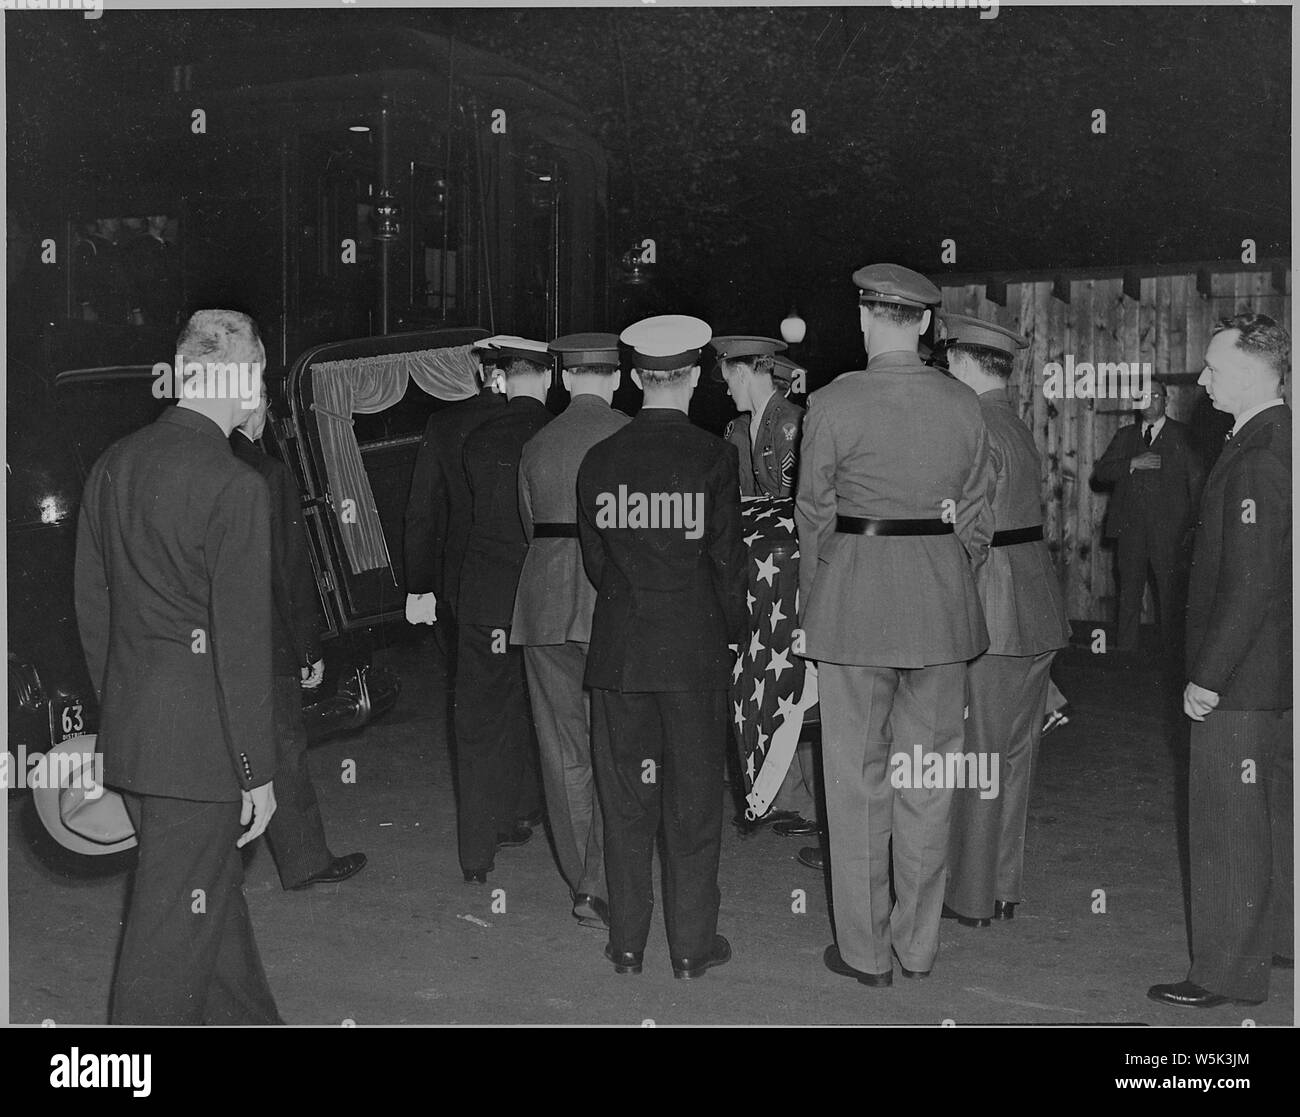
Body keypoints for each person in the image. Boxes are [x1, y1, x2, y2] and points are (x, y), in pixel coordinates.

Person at [74, 309, 281, 1024]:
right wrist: (258, 770)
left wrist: (125, 713)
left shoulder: (112, 465)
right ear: (239, 375)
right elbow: (242, 645)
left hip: (137, 736)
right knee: (167, 942)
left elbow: (93, 612)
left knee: (206, 906)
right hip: (201, 753)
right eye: (259, 369)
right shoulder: (234, 486)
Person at [796, 264, 994, 986]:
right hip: (942, 614)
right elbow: (977, 521)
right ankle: (918, 947)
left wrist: (813, 606)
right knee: (928, 780)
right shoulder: (964, 404)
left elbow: (813, 516)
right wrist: (948, 581)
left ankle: (866, 953)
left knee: (856, 782)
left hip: (853, 609)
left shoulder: (833, 402)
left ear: (864, 319)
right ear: (927, 325)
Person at [578, 314, 747, 979]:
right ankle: (689, 947)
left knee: (624, 803)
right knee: (694, 803)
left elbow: (598, 565)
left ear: (640, 376)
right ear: (693, 374)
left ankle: (626, 943)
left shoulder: (601, 459)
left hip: (619, 655)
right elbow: (728, 563)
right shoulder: (713, 456)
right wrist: (732, 634)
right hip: (692, 656)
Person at [1149, 312, 1292, 1009]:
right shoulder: (1279, 438)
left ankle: (1226, 975)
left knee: (1227, 823)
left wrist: (1206, 676)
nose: (1201, 382)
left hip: (1243, 676)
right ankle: (1282, 941)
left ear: (1247, 371)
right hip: (1277, 674)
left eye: (1211, 369)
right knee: (1274, 813)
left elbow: (1252, 580)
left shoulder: (1261, 453)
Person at [937, 313, 1070, 928]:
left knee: (980, 755)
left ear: (962, 363)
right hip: (1036, 607)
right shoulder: (1013, 422)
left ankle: (970, 897)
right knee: (1016, 755)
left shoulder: (970, 424)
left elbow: (972, 533)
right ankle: (1003, 886)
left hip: (993, 610)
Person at [511, 332, 629, 930]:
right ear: (615, 377)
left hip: (543, 604)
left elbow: (532, 528)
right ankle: (600, 880)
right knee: (615, 745)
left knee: (563, 751)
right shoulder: (629, 435)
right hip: (610, 603)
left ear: (563, 378)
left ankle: (583, 879)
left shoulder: (536, 444)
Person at [232, 384, 367, 891]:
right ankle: (306, 860)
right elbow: (290, 573)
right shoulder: (268, 474)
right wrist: (309, 647)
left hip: (197, 641)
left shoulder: (191, 464)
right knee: (282, 746)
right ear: (253, 409)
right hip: (263, 644)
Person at [454, 337, 553, 883]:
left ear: (504, 376)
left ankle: (476, 852)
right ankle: (525, 813)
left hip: (484, 596)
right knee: (539, 710)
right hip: (539, 597)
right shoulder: (554, 435)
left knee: (478, 720)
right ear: (547, 375)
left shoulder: (474, 435)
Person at [715, 335, 820, 842]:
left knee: (798, 684)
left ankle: (813, 805)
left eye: (726, 375)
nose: (723, 385)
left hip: (793, 579)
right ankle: (786, 796)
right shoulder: (736, 429)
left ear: (746, 371)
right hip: (755, 581)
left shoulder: (795, 422)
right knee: (766, 682)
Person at [1092, 380, 1203, 656]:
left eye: (1156, 395)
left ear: (1166, 401)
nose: (1149, 400)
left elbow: (1198, 485)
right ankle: (1125, 657)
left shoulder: (1183, 436)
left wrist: (1190, 529)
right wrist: (1131, 463)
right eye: (1144, 395)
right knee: (1128, 597)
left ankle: (1172, 659)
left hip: (1170, 536)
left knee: (1169, 598)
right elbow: (1101, 473)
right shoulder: (1125, 435)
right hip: (1130, 533)